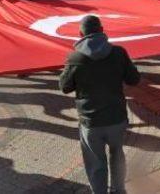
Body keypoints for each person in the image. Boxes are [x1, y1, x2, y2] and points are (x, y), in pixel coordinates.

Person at [59, 15, 141, 194]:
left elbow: (64, 87)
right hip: (117, 118)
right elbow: (134, 79)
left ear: (81, 34)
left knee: (95, 162)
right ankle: (119, 190)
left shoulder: (75, 58)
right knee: (117, 155)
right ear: (103, 31)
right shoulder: (119, 52)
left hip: (91, 122)